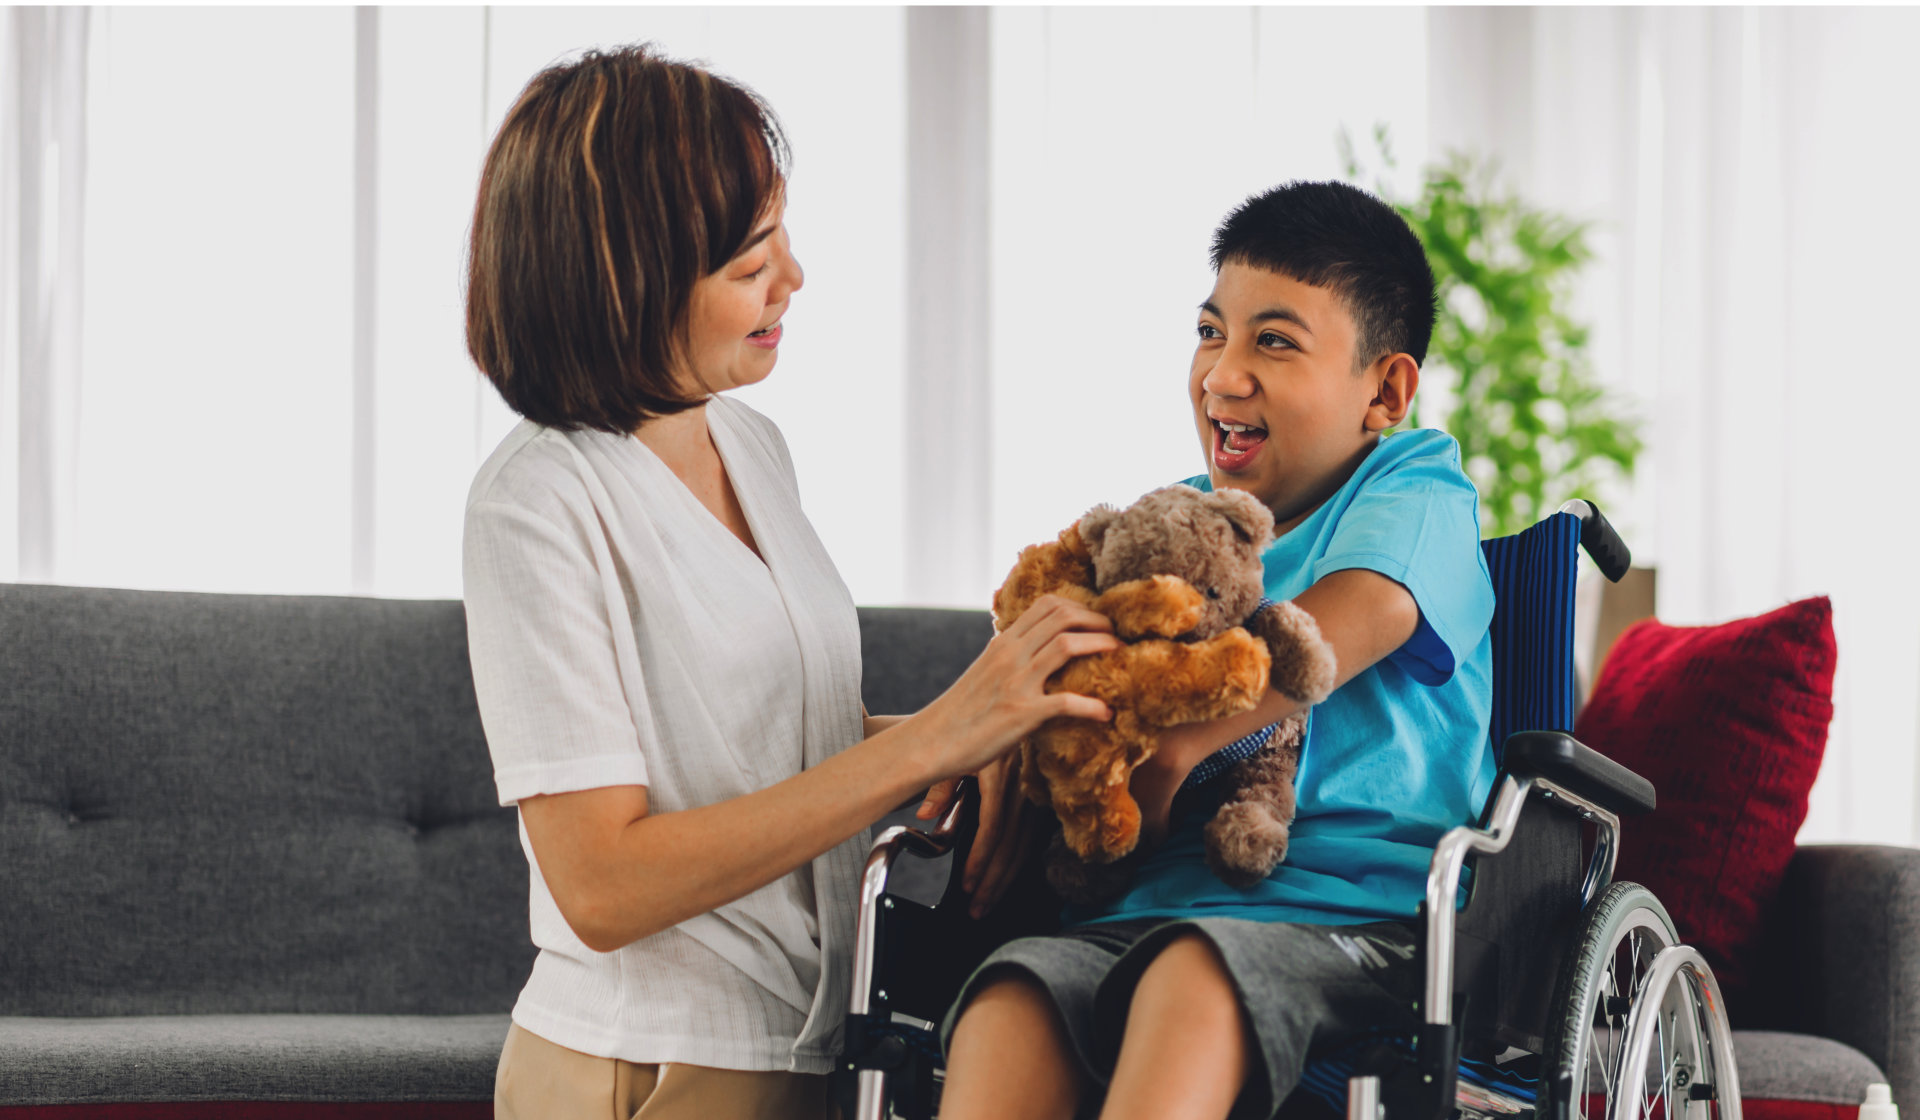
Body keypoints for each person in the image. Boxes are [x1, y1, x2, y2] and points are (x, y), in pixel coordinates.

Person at [460, 45, 1117, 1120]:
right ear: (630, 277)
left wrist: (990, 739)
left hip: (809, 1046)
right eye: (750, 260)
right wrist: (937, 736)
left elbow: (767, 736)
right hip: (645, 1067)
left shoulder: (751, 443)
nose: (794, 280)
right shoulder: (536, 502)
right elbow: (603, 884)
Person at [938, 181, 1497, 1120]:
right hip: (1138, 911)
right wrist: (999, 735)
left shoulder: (1415, 485)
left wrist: (1181, 750)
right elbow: (1075, 658)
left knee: (1194, 977)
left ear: (1386, 389)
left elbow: (1358, 614)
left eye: (1273, 341)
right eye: (1210, 332)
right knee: (1010, 999)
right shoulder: (1181, 524)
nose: (1222, 374)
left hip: (1354, 917)